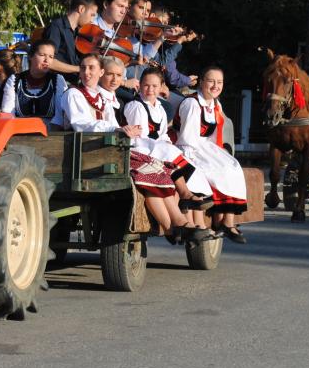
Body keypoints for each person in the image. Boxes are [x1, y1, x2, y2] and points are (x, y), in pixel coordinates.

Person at [63, 55, 203, 243]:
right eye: (83, 68)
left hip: (110, 149)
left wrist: (123, 130)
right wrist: (119, 129)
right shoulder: (74, 94)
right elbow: (81, 124)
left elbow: (114, 126)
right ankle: (173, 228)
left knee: (158, 170)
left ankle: (180, 223)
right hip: (90, 151)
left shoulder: (102, 99)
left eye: (92, 69)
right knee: (149, 174)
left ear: (99, 72)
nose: (88, 73)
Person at [124, 68, 215, 218]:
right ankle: (185, 195)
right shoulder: (136, 106)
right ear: (139, 85)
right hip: (141, 148)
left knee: (185, 160)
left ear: (161, 87)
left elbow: (163, 134)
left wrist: (167, 143)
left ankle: (194, 203)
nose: (150, 90)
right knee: (170, 153)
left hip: (156, 147)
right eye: (146, 85)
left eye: (154, 86)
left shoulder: (159, 108)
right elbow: (140, 135)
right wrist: (164, 146)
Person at [175, 66, 249, 243]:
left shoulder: (215, 103)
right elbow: (187, 138)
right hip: (189, 146)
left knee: (232, 166)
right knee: (215, 169)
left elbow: (214, 136)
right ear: (201, 82)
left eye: (219, 82)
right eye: (211, 81)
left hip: (206, 145)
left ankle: (228, 221)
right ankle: (218, 219)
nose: (215, 85)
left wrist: (219, 153)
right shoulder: (192, 104)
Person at [0, 40, 67, 122]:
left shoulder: (57, 80)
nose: (46, 60)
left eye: (51, 57)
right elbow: (8, 113)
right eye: (42, 55)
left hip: (51, 133)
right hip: (19, 131)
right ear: (30, 56)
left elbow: (59, 117)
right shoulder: (15, 80)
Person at [43, 0, 98, 77]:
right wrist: (79, 69)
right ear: (81, 9)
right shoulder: (56, 27)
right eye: (92, 15)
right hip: (60, 83)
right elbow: (49, 61)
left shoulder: (77, 32)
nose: (92, 20)